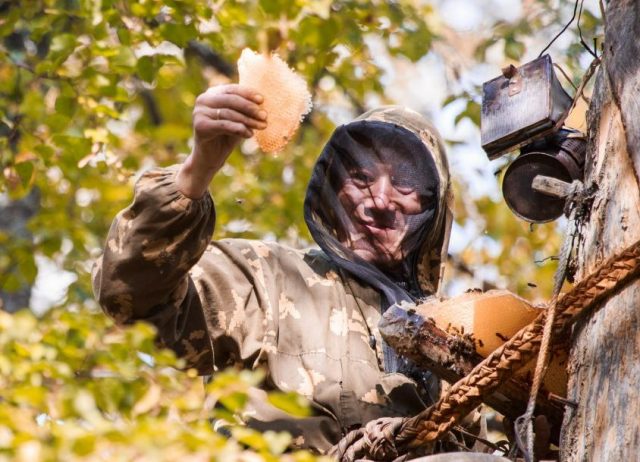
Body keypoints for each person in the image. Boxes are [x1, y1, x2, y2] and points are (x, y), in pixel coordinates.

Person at [93, 84, 454, 453]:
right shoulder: (267, 278)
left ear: (432, 204)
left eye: (404, 183)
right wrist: (196, 170)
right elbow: (133, 299)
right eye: (361, 177)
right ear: (334, 188)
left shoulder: (456, 332)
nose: (378, 199)